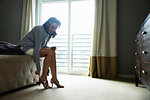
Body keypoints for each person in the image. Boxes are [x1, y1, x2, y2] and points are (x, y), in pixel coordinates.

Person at [17, 17, 64, 89]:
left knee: (52, 52)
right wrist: (38, 69)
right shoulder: (40, 30)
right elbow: (36, 50)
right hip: (25, 47)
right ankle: (44, 77)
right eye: (53, 27)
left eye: (55, 28)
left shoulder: (49, 33)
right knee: (50, 52)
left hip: (34, 47)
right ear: (48, 24)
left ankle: (54, 79)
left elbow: (42, 45)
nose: (53, 30)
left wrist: (49, 48)